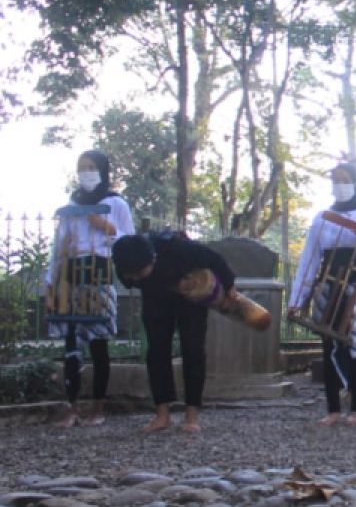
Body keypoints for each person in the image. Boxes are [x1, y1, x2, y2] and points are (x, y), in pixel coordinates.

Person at [288, 162, 356, 426]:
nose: (339, 183)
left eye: (345, 179)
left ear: (355, 182)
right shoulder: (322, 216)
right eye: (335, 179)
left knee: (355, 343)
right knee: (329, 343)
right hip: (328, 283)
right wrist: (297, 299)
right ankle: (333, 408)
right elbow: (310, 259)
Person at [111, 230, 237, 433]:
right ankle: (162, 415)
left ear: (152, 258)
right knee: (157, 352)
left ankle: (191, 416)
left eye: (140, 273)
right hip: (156, 301)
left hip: (190, 298)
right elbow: (133, 279)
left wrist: (229, 286)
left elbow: (216, 259)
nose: (135, 278)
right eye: (132, 275)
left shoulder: (178, 249)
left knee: (193, 349)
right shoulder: (125, 264)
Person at [43, 150, 135, 428]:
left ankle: (98, 407)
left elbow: (130, 244)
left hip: (99, 270)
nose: (86, 172)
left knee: (98, 342)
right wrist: (50, 281)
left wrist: (107, 226)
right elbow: (58, 245)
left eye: (91, 167)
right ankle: (71, 407)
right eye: (82, 167)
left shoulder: (116, 203)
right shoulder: (73, 203)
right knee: (71, 341)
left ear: (103, 170)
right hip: (71, 271)